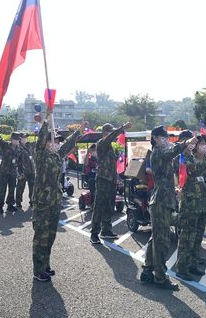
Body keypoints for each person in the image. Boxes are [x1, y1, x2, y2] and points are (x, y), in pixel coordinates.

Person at [140, 125, 197, 290]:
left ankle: (148, 269)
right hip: (160, 201)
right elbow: (171, 152)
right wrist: (186, 143)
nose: (166, 140)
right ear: (156, 138)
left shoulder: (162, 153)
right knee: (162, 241)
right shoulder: (158, 152)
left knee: (156, 238)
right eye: (163, 137)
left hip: (164, 199)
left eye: (167, 137)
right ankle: (160, 277)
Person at [31, 109, 84, 282]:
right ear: (46, 143)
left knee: (51, 236)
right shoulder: (40, 155)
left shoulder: (56, 156)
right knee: (41, 236)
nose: (57, 143)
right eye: (54, 141)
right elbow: (40, 140)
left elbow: (68, 145)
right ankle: (38, 270)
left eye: (58, 142)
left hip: (54, 202)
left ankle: (45, 264)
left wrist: (79, 130)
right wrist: (47, 119)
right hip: (42, 202)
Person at [174, 135, 206, 280]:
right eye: (201, 144)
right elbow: (194, 172)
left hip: (201, 205)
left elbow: (200, 177)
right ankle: (181, 268)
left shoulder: (198, 159)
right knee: (187, 238)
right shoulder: (184, 159)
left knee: (197, 237)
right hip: (190, 206)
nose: (204, 146)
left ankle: (192, 264)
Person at [89, 121, 131, 245]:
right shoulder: (101, 143)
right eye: (109, 131)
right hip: (102, 179)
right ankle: (94, 234)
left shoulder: (112, 147)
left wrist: (117, 178)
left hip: (111, 179)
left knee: (109, 205)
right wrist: (122, 127)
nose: (112, 134)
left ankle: (106, 230)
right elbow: (110, 138)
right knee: (99, 206)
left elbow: (113, 165)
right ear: (104, 133)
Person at [0, 126, 21, 214]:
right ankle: (0, 206)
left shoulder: (19, 149)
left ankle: (10, 205)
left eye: (18, 139)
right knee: (1, 189)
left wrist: (19, 173)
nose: (16, 141)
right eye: (15, 139)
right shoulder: (5, 145)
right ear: (11, 139)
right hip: (4, 171)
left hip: (13, 173)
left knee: (12, 189)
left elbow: (19, 162)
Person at [16, 132, 35, 208]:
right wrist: (18, 173)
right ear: (20, 139)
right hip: (22, 171)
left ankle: (32, 201)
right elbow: (16, 161)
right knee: (20, 187)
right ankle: (18, 202)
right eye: (23, 138)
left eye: (26, 137)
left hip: (31, 170)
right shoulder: (18, 147)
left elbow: (40, 141)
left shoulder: (29, 145)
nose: (25, 139)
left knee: (32, 187)